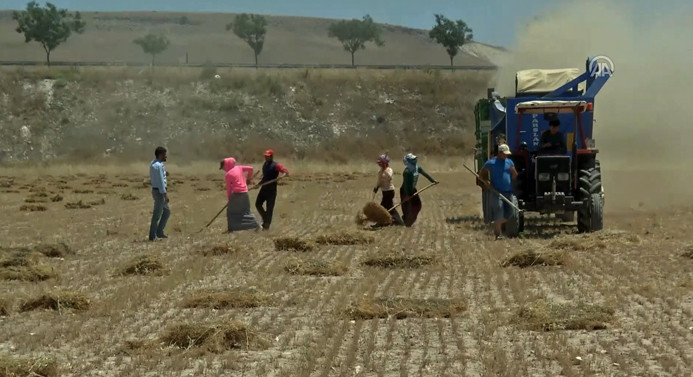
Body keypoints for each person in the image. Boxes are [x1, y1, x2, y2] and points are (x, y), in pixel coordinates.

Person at [478, 144, 518, 240]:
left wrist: (511, 180)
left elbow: (514, 173)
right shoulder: (491, 163)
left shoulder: (509, 162)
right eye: (505, 154)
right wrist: (487, 182)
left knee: (511, 213)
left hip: (508, 192)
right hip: (496, 192)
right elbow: (481, 175)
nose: (506, 156)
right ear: (500, 153)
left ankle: (496, 223)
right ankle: (498, 234)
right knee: (499, 211)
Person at [220, 157, 260, 232]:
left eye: (223, 168)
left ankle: (231, 229)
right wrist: (248, 179)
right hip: (245, 193)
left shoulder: (228, 174)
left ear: (226, 165)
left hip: (237, 194)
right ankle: (256, 225)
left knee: (230, 212)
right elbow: (251, 169)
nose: (224, 170)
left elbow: (229, 189)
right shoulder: (239, 168)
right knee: (246, 211)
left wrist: (230, 200)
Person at [400, 153, 438, 227]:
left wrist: (433, 180)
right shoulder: (407, 172)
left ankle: (409, 221)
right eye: (413, 160)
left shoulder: (418, 168)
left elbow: (425, 174)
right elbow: (406, 185)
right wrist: (407, 195)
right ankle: (406, 221)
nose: (415, 161)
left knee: (418, 205)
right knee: (406, 207)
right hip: (405, 191)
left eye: (415, 159)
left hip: (413, 190)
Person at [255, 149, 289, 230]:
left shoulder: (276, 165)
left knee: (269, 208)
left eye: (268, 156)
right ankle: (265, 219)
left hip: (271, 190)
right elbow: (265, 177)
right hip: (264, 188)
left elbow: (285, 171)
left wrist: (283, 175)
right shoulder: (265, 164)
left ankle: (266, 226)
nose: (266, 157)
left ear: (271, 156)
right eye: (265, 156)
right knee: (258, 204)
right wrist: (259, 184)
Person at [373, 153, 404, 226]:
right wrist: (376, 188)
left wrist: (385, 170)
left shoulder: (389, 170)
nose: (380, 165)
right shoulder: (380, 172)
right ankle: (397, 221)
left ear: (385, 163)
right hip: (384, 192)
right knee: (390, 207)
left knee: (383, 208)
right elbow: (379, 181)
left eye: (381, 163)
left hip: (390, 191)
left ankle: (381, 222)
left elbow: (390, 177)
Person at [149, 146, 170, 241]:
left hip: (157, 191)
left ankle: (159, 232)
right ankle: (152, 236)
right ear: (161, 154)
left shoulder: (154, 164)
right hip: (159, 192)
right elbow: (161, 181)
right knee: (157, 215)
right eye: (165, 154)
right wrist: (165, 194)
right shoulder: (158, 166)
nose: (166, 156)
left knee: (167, 211)